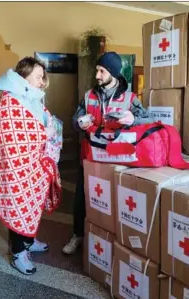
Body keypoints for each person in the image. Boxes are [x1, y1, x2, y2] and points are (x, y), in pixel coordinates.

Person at [0, 57, 62, 275]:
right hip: (16, 168)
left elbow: (41, 122)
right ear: (24, 76)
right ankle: (18, 253)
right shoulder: (10, 101)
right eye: (39, 77)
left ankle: (29, 240)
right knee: (17, 206)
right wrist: (44, 133)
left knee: (32, 205)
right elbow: (9, 135)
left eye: (42, 77)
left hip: (35, 165)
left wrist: (52, 130)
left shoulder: (31, 97)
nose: (42, 82)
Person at [62, 52, 153, 255]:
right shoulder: (88, 96)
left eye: (101, 71)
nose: (97, 75)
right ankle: (78, 235)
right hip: (90, 157)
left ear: (112, 72)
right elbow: (73, 121)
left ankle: (111, 240)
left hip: (117, 160)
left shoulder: (130, 99)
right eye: (97, 70)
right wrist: (79, 122)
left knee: (114, 200)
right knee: (81, 199)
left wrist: (133, 120)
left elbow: (149, 120)